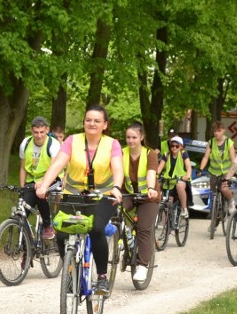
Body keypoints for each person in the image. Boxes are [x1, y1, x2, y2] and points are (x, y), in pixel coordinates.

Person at [35, 105, 124, 295]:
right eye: (88, 120)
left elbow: (117, 168)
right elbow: (58, 163)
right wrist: (44, 185)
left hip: (103, 196)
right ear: (84, 122)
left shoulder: (112, 144)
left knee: (96, 228)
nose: (92, 123)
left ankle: (101, 278)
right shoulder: (72, 141)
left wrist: (116, 187)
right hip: (74, 194)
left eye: (97, 121)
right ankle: (70, 270)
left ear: (104, 125)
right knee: (61, 232)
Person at [121, 122, 160, 282]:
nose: (131, 141)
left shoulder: (150, 154)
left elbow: (151, 173)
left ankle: (143, 265)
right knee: (113, 213)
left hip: (148, 196)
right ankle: (124, 238)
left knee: (144, 229)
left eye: (134, 137)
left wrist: (151, 188)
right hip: (128, 194)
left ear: (141, 137)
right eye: (128, 137)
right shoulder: (121, 153)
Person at [19, 116, 61, 239]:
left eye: (42, 132)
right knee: (22, 211)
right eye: (36, 132)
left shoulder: (53, 144)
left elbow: (54, 168)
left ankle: (48, 226)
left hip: (53, 178)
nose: (39, 136)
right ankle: (26, 245)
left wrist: (43, 183)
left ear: (47, 130)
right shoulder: (25, 143)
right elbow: (23, 168)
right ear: (31, 131)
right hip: (32, 179)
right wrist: (22, 187)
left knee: (41, 194)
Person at [199, 121, 236, 205]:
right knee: (213, 192)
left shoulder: (229, 142)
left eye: (219, 131)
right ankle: (215, 210)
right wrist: (200, 169)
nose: (216, 133)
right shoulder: (211, 142)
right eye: (215, 131)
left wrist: (234, 172)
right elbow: (205, 157)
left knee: (224, 189)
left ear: (223, 131)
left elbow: (233, 159)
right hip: (213, 172)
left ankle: (230, 202)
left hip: (226, 172)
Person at [157, 135, 192, 218]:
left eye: (177, 146)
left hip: (181, 179)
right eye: (172, 146)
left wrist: (187, 176)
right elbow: (159, 168)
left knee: (179, 185)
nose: (174, 148)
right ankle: (166, 227)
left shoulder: (183, 153)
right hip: (169, 180)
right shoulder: (166, 155)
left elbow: (188, 167)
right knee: (167, 203)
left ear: (181, 146)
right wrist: (155, 176)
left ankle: (184, 209)